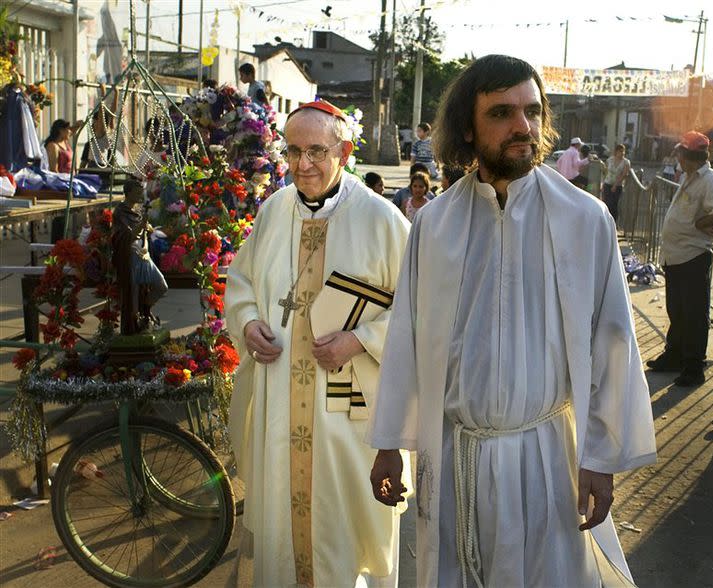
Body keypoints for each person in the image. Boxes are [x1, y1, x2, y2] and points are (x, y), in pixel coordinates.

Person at [368, 54, 656, 587]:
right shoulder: (434, 224)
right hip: (458, 457)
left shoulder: (584, 218)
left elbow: (613, 341)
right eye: (502, 112)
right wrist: (390, 443)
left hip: (548, 459)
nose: (523, 126)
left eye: (532, 111)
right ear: (468, 130)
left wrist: (600, 456)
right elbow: (406, 338)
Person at [224, 99, 410, 587]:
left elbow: (423, 309)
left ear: (344, 151)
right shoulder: (272, 212)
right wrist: (246, 324)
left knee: (345, 537)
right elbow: (240, 282)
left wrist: (360, 339)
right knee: (282, 537)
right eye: (292, 152)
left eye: (316, 152)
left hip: (347, 414)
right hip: (280, 406)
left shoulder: (383, 221)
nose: (302, 165)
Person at [647, 131, 713, 387]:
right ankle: (674, 356)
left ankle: (694, 368)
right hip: (676, 257)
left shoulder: (710, 180)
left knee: (694, 316)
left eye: (681, 154)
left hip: (694, 256)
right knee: (678, 312)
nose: (678, 159)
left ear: (690, 157)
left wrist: (701, 222)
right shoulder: (689, 177)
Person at [112, 179, 168, 335]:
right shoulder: (120, 212)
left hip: (144, 256)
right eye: (137, 192)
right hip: (130, 259)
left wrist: (147, 228)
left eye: (140, 192)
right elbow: (126, 236)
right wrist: (142, 225)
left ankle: (146, 308)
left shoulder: (137, 212)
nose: (140, 195)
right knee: (133, 297)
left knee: (161, 286)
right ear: (128, 193)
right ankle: (136, 324)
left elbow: (142, 230)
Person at [602, 144, 631, 225]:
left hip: (617, 186)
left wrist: (615, 185)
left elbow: (624, 175)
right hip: (607, 183)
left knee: (613, 204)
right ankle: (605, 221)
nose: (622, 153)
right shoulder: (610, 160)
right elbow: (605, 172)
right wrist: (603, 182)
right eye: (620, 151)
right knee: (606, 203)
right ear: (616, 152)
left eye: (623, 151)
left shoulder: (626, 162)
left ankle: (613, 223)